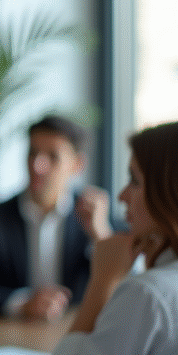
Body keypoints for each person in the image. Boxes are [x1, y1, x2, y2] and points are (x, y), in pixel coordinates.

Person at [0, 115, 114, 320]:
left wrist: (101, 235)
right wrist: (22, 304)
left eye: (53, 156)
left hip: (75, 331)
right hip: (9, 333)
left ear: (77, 165)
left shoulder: (91, 217)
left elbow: (121, 289)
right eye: (32, 153)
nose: (37, 166)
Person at [53, 121, 178, 355]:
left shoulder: (146, 295)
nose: (121, 196)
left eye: (135, 181)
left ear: (170, 191)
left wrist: (101, 282)